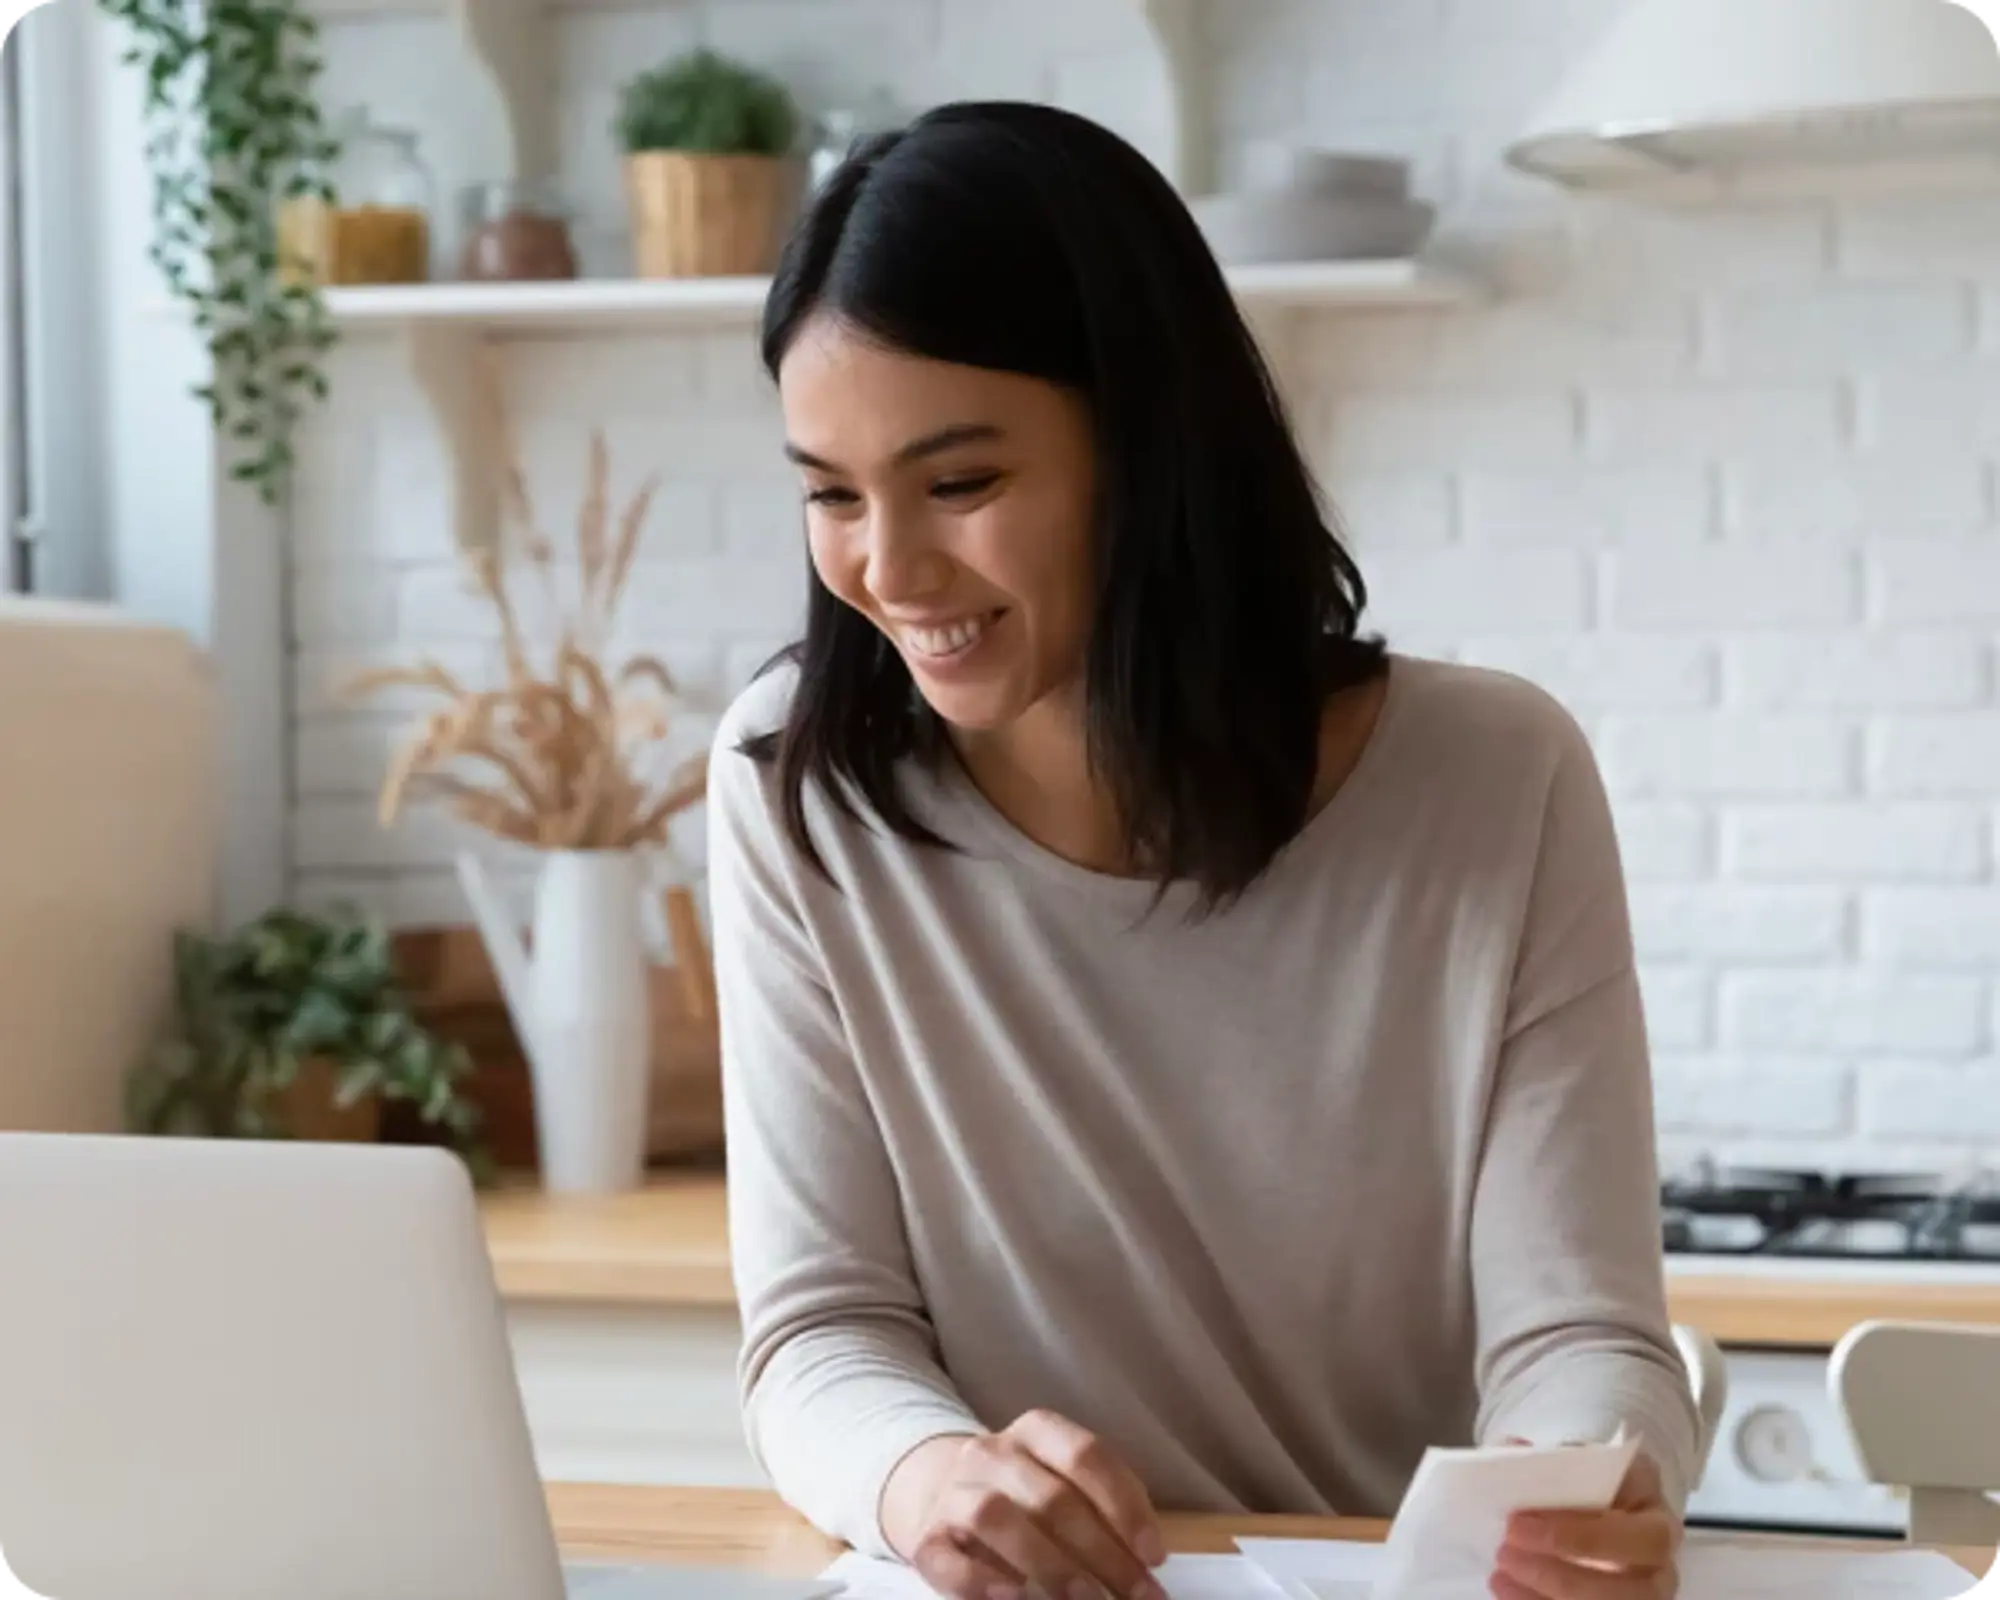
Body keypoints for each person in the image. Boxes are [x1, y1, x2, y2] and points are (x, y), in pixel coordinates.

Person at [705, 100, 1698, 1600]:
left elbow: (1581, 1338)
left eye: (960, 483)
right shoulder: (801, 790)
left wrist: (1586, 1486)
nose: (889, 573)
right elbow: (818, 1333)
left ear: (1150, 447)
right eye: (832, 496)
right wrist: (928, 1480)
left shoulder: (1497, 782)